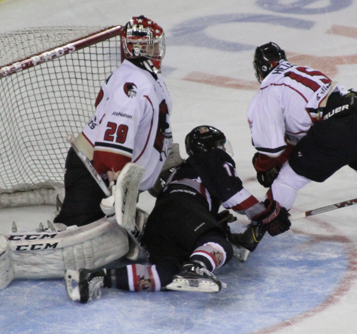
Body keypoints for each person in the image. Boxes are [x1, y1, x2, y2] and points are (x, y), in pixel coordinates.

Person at [63, 125, 290, 303]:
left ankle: (98, 276)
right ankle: (196, 267)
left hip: (160, 222)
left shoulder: (185, 169)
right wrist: (267, 214)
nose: (223, 150)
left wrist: (220, 223)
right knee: (219, 244)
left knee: (165, 275)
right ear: (214, 147)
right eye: (220, 145)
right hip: (183, 208)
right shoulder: (213, 158)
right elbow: (234, 194)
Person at [247, 42, 357, 218]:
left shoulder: (268, 91)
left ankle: (261, 226)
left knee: (288, 180)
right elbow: (304, 126)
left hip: (338, 129)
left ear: (260, 69)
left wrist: (264, 166)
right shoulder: (300, 71)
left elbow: (273, 149)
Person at [54, 15, 176, 227]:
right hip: (94, 171)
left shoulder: (149, 76)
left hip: (110, 173)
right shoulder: (133, 83)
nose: (158, 51)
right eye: (153, 46)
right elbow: (114, 142)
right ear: (138, 49)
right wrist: (116, 186)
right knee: (74, 228)